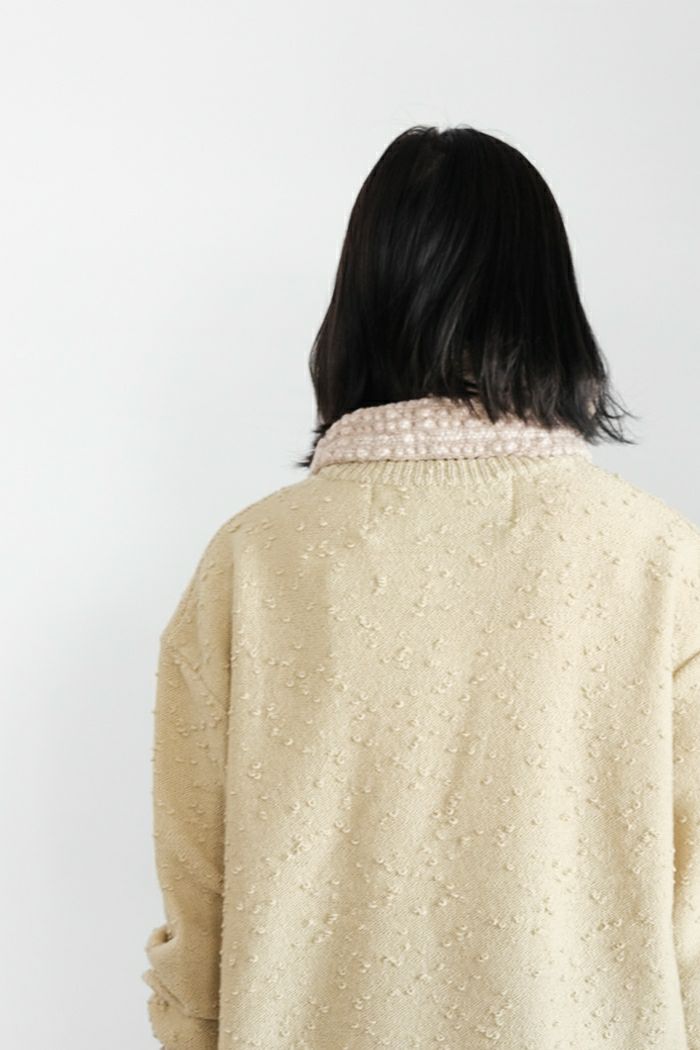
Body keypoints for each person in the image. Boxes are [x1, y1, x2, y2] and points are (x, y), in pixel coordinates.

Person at [141, 124, 700, 1049]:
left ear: (357, 306)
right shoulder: (658, 561)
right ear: (550, 305)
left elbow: (198, 930)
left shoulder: (252, 561)